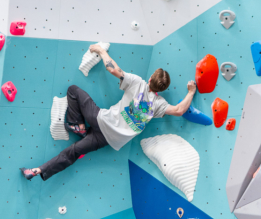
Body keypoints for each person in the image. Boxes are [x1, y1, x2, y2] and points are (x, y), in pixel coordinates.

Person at [21, 44, 197, 181]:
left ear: (150, 78)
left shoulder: (138, 83)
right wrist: (190, 92)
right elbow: (180, 110)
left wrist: (100, 50)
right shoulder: (159, 104)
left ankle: (79, 126)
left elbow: (113, 69)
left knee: (73, 90)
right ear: (163, 89)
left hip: (101, 121)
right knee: (72, 152)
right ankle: (37, 171)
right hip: (110, 140)